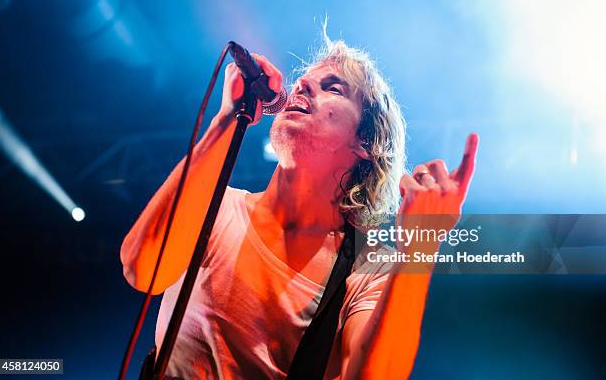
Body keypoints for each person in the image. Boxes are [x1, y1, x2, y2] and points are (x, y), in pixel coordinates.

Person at [121, 33, 478, 379]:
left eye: (332, 88)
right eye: (305, 81)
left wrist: (421, 245)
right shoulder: (217, 205)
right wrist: (229, 117)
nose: (303, 86)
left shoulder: (368, 269)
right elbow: (143, 269)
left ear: (365, 142)